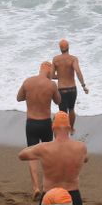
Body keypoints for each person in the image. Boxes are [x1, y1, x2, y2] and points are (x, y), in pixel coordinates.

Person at [17, 111, 87, 205]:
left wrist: (37, 148)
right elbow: (86, 159)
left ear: (53, 128)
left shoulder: (44, 148)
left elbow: (22, 155)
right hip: (71, 194)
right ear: (69, 128)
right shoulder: (81, 147)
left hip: (50, 195)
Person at [17, 62, 61, 196]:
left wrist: (30, 96)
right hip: (46, 123)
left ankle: (36, 187)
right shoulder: (51, 85)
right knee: (48, 154)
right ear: (49, 72)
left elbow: (19, 98)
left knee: (33, 155)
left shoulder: (28, 81)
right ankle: (48, 184)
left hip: (31, 123)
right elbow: (58, 101)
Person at [51, 40, 89, 132]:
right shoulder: (73, 59)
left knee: (63, 112)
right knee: (71, 109)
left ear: (60, 49)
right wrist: (83, 86)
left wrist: (61, 76)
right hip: (72, 89)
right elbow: (78, 71)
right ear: (68, 47)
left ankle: (64, 131)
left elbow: (52, 75)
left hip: (61, 89)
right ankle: (71, 128)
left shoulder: (55, 59)